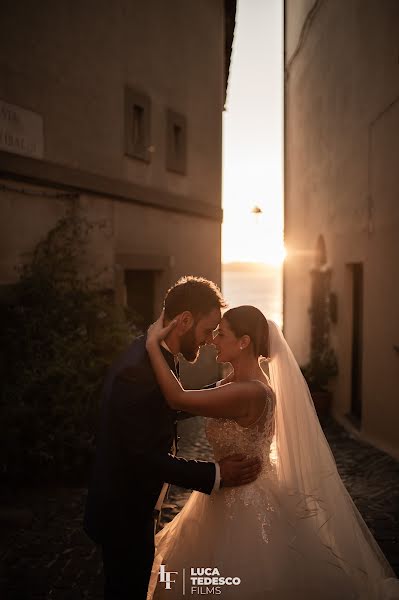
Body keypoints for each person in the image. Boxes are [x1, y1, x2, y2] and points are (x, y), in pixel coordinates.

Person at [145, 305, 399, 599]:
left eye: (222, 334)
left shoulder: (251, 392)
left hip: (246, 501)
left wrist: (153, 345)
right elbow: (195, 398)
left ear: (244, 342)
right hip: (223, 493)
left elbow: (177, 399)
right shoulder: (231, 383)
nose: (214, 340)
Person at [83, 278, 262, 600]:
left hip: (134, 504)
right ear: (184, 321)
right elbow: (144, 457)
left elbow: (165, 408)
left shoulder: (155, 355)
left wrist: (227, 392)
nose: (210, 340)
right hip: (123, 511)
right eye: (208, 330)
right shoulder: (138, 370)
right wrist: (216, 474)